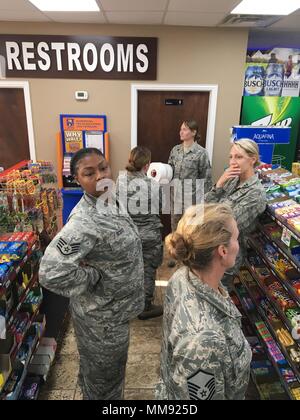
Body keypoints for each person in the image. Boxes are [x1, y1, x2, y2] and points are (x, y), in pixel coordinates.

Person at [39, 148, 144, 400]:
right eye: (89, 173)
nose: (100, 175)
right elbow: (50, 272)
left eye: (104, 167)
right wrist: (92, 278)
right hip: (101, 321)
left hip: (116, 312)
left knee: (103, 377)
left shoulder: (110, 198)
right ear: (77, 179)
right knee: (104, 385)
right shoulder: (84, 221)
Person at [156, 203, 252, 400]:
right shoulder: (203, 342)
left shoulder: (184, 276)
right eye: (235, 238)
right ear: (222, 251)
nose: (238, 244)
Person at [205, 139, 266, 289]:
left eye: (238, 157)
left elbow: (227, 225)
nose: (233, 161)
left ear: (253, 159)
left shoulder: (255, 193)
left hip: (225, 256)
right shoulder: (231, 180)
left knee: (216, 296)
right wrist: (219, 183)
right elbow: (205, 206)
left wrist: (209, 215)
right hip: (210, 247)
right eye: (231, 157)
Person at [117, 146, 163, 320]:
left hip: (127, 234)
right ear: (147, 165)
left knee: (128, 268)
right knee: (148, 269)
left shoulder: (120, 180)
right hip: (149, 235)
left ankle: (126, 304)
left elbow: (116, 206)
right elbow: (159, 207)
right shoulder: (154, 185)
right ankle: (145, 306)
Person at [168, 120, 212, 233]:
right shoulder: (175, 150)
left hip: (192, 200)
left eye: (184, 129)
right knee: (176, 229)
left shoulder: (201, 153)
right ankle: (176, 250)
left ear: (193, 132)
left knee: (191, 231)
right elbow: (169, 170)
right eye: (181, 129)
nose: (181, 132)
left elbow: (206, 179)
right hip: (176, 197)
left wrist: (204, 202)